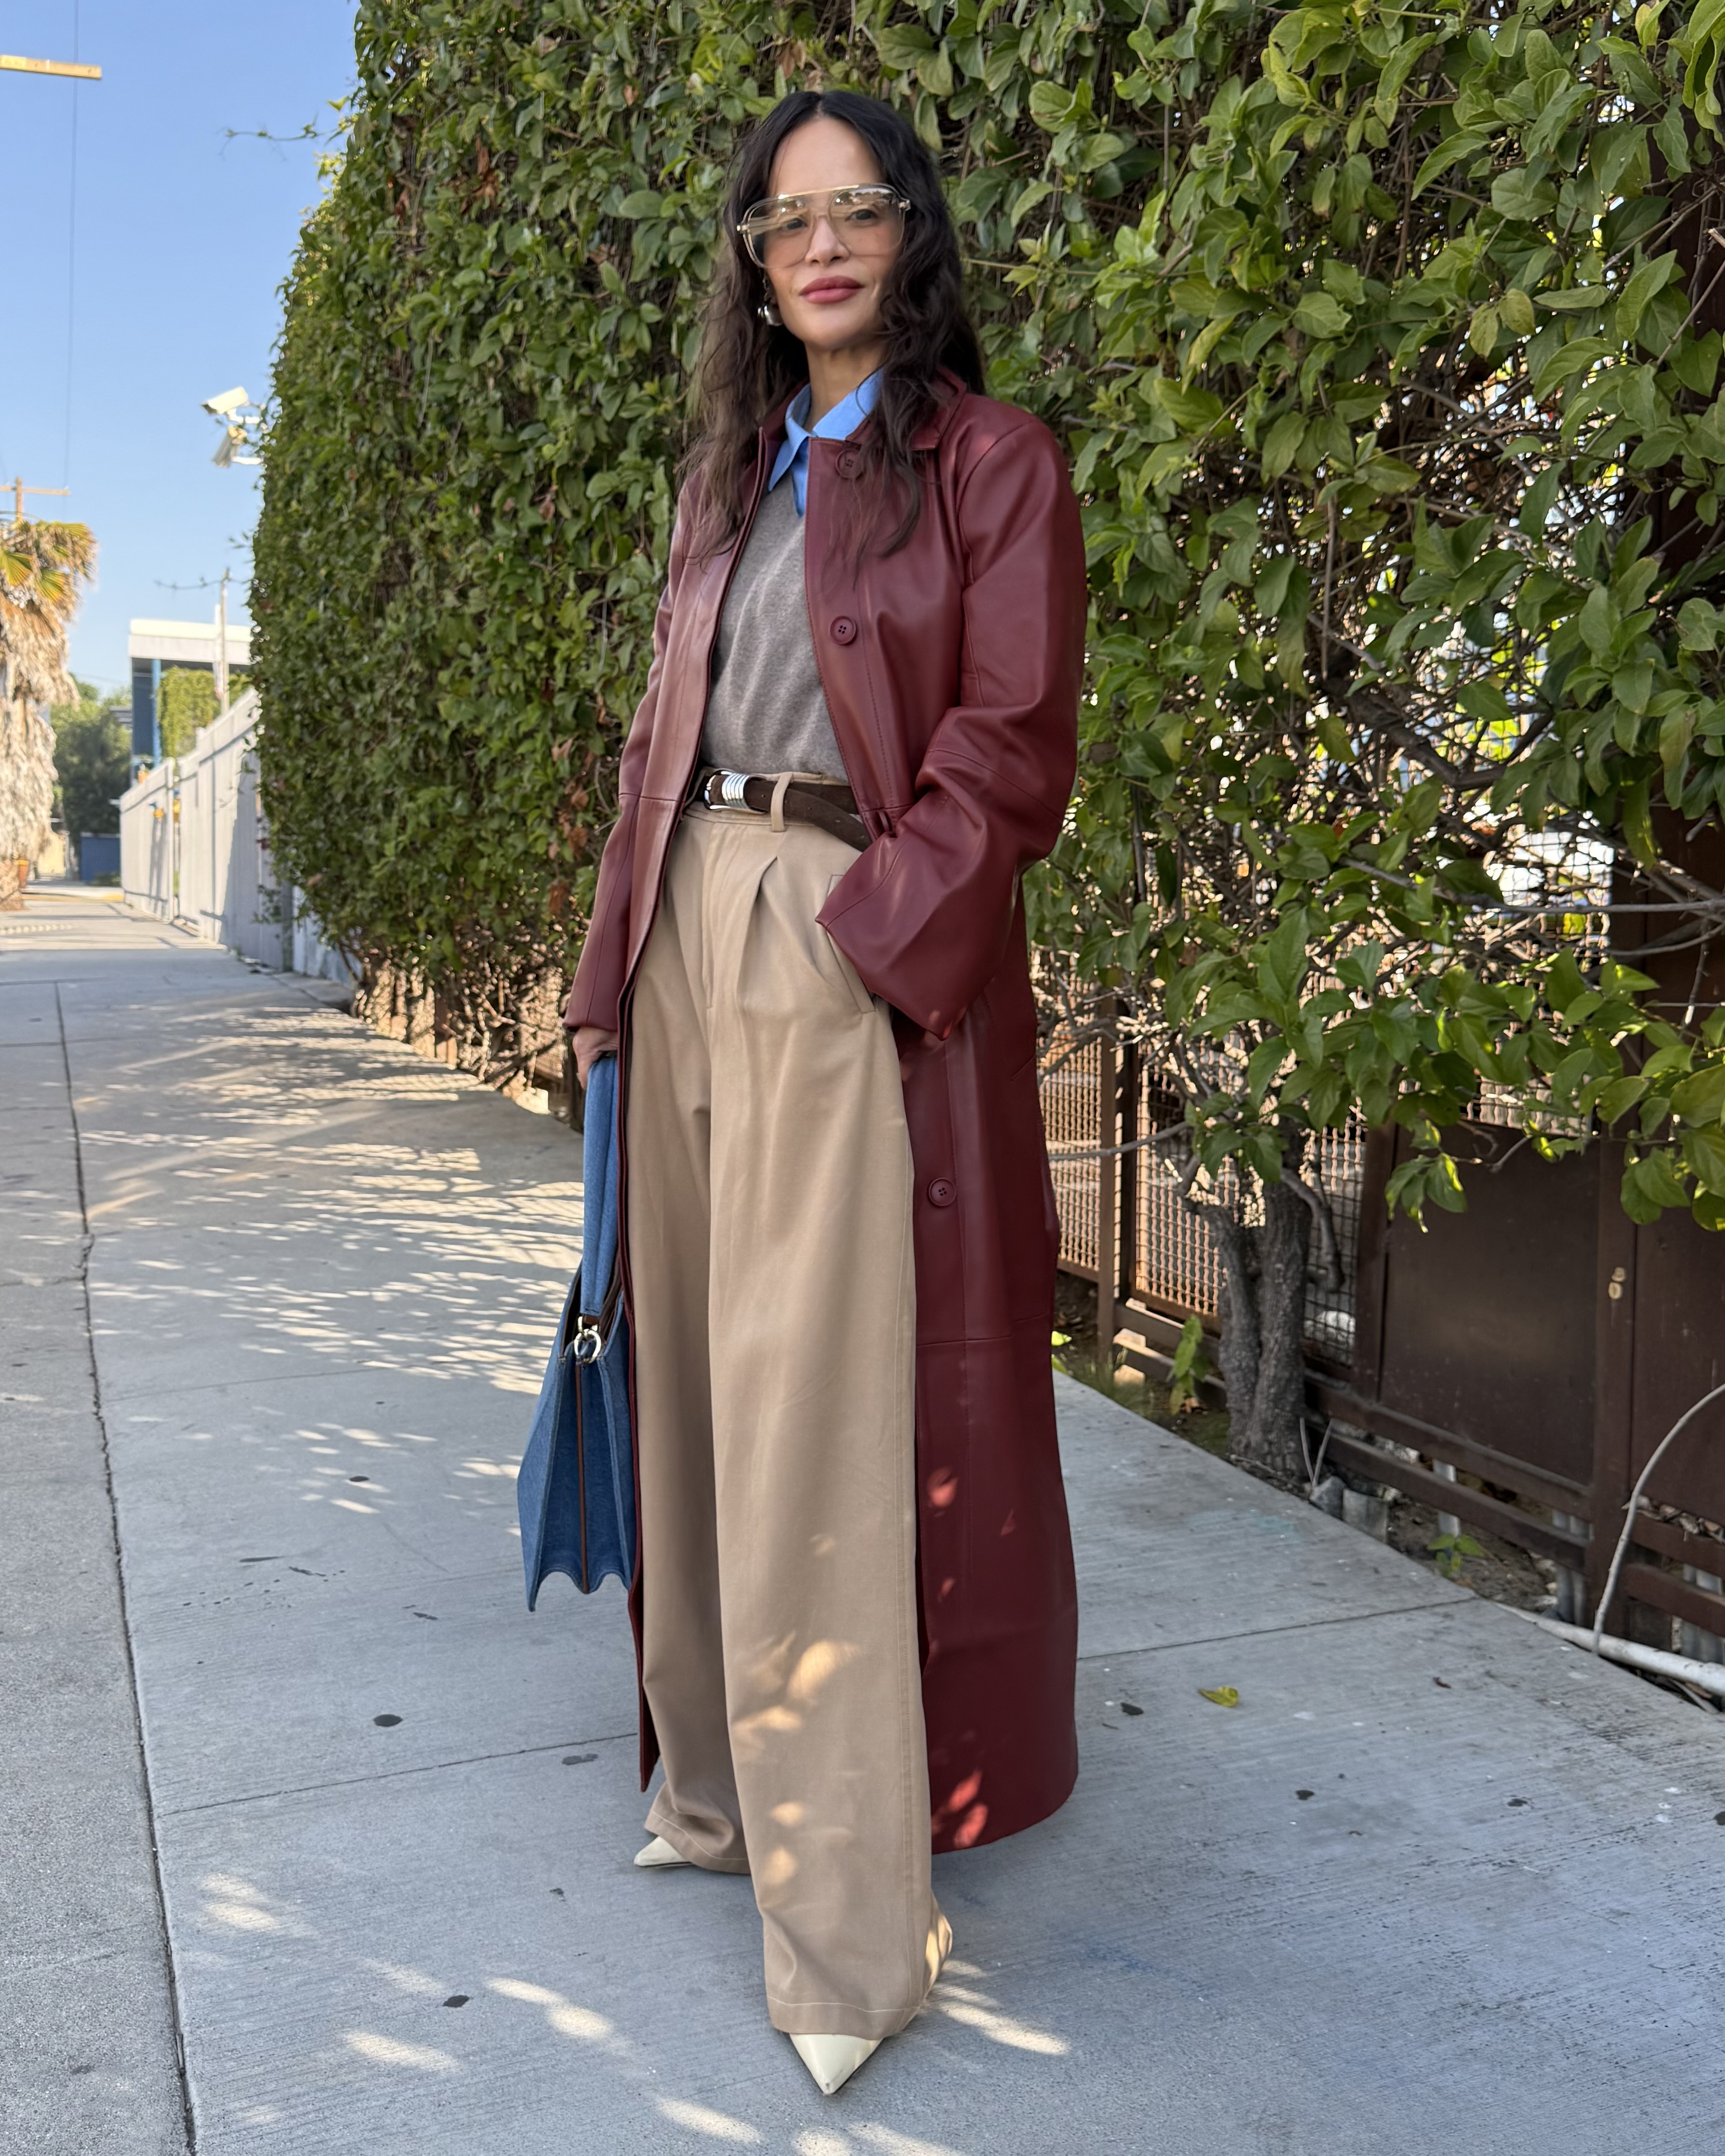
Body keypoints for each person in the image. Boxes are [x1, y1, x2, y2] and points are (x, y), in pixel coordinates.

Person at [564, 86, 1086, 2096]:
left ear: (907, 237)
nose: (824, 245)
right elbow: (649, 746)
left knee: (815, 1422)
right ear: (754, 272)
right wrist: (611, 972)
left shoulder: (988, 463)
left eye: (857, 209)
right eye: (786, 223)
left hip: (828, 934)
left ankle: (849, 1934)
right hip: (690, 933)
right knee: (689, 1378)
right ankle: (707, 1785)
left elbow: (1010, 743)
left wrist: (864, 939)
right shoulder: (734, 480)